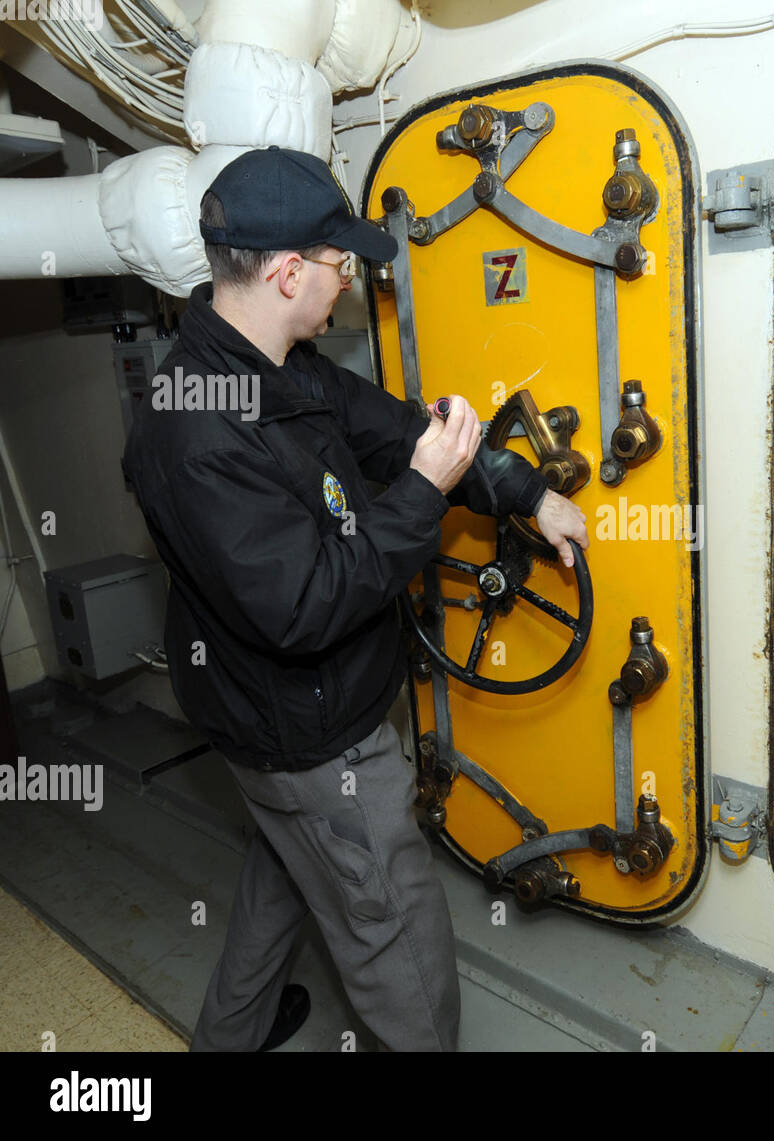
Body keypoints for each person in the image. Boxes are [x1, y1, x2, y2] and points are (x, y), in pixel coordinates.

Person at [121, 146, 588, 1049]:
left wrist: (527, 492)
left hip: (285, 727)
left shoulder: (282, 363)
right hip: (309, 736)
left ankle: (232, 1034)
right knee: (396, 944)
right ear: (290, 271)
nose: (348, 283)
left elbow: (403, 428)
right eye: (340, 266)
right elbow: (304, 606)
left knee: (287, 873)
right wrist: (420, 492)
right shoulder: (193, 430)